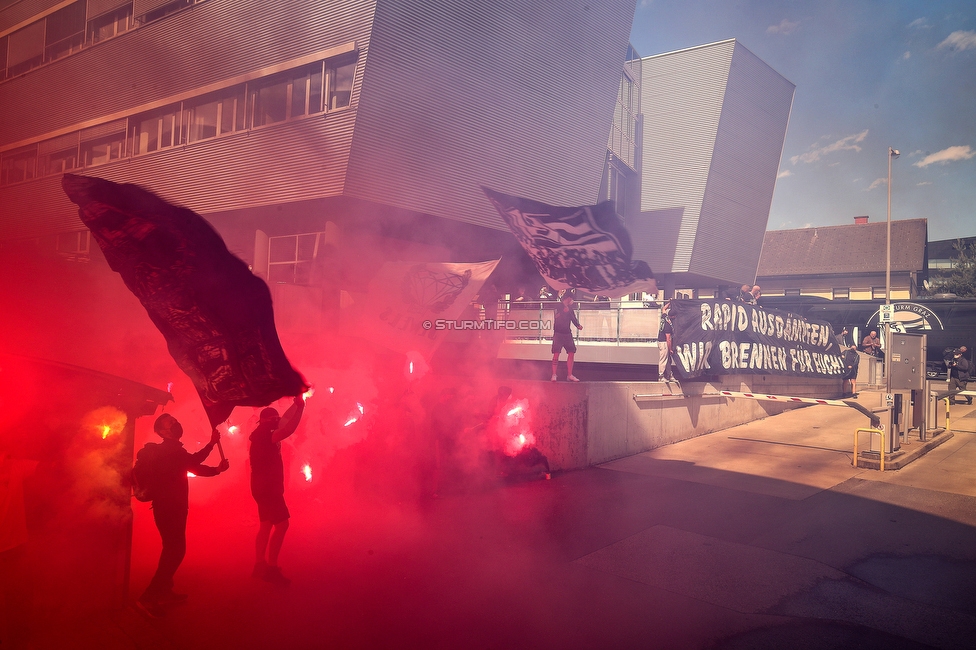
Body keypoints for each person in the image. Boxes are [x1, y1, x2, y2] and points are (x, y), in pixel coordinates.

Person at [136, 414, 228, 617]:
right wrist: (212, 444)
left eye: (175, 421)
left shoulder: (173, 451)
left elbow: (191, 467)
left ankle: (165, 591)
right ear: (161, 432)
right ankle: (148, 597)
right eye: (171, 423)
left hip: (172, 508)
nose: (176, 424)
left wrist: (216, 470)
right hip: (168, 509)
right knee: (176, 552)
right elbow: (193, 461)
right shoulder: (167, 451)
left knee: (170, 550)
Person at [250, 395, 306, 586]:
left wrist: (295, 404)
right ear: (266, 421)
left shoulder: (261, 430)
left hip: (260, 487)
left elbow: (282, 421)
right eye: (273, 419)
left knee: (265, 526)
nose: (276, 421)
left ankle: (259, 565)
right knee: (282, 525)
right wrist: (301, 409)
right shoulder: (266, 433)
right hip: (268, 489)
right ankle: (272, 569)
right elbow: (288, 428)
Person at [0, 448, 38, 647]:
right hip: (14, 549)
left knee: (19, 601)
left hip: (16, 548)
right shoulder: (15, 466)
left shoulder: (16, 467)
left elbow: (47, 468)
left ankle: (19, 642)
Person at [551, 290, 582, 382]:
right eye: (571, 298)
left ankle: (570, 375)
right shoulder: (558, 306)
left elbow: (573, 318)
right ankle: (554, 374)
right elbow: (556, 316)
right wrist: (563, 312)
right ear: (568, 298)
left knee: (571, 352)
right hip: (558, 333)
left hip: (567, 333)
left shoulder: (570, 309)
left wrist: (578, 325)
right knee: (556, 353)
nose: (572, 300)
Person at [658, 300, 674, 381]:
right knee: (663, 359)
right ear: (673, 317)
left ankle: (669, 375)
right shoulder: (668, 325)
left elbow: (663, 309)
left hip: (661, 341)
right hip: (664, 342)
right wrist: (670, 349)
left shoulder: (664, 316)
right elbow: (668, 338)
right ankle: (661, 376)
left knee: (668, 360)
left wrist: (670, 302)